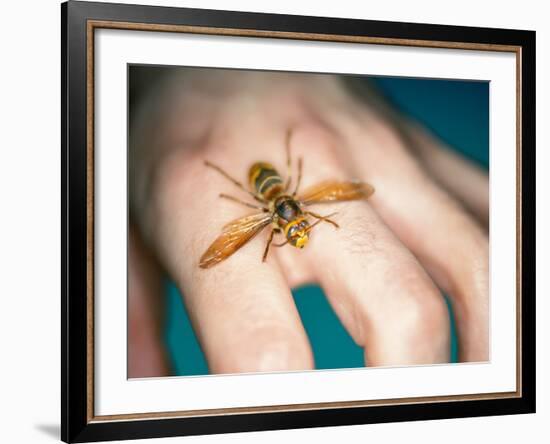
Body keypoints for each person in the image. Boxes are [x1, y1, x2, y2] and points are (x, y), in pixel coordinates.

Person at [128, 69, 489, 377]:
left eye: (298, 226)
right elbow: (233, 239)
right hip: (259, 178)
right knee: (240, 192)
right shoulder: (268, 218)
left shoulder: (301, 205)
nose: (299, 228)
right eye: (297, 227)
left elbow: (332, 196)